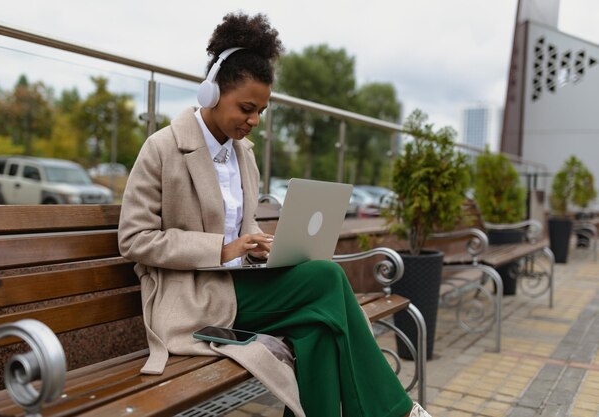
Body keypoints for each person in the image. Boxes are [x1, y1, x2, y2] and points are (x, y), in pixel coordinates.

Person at [118, 11, 430, 417]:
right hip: (193, 298)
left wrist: (259, 247)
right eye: (246, 108)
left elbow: (243, 229)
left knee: (317, 328)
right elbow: (134, 239)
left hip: (240, 286)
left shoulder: (244, 156)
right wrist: (224, 248)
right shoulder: (163, 149)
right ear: (211, 94)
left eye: (261, 111)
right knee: (328, 276)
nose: (254, 121)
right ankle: (396, 412)